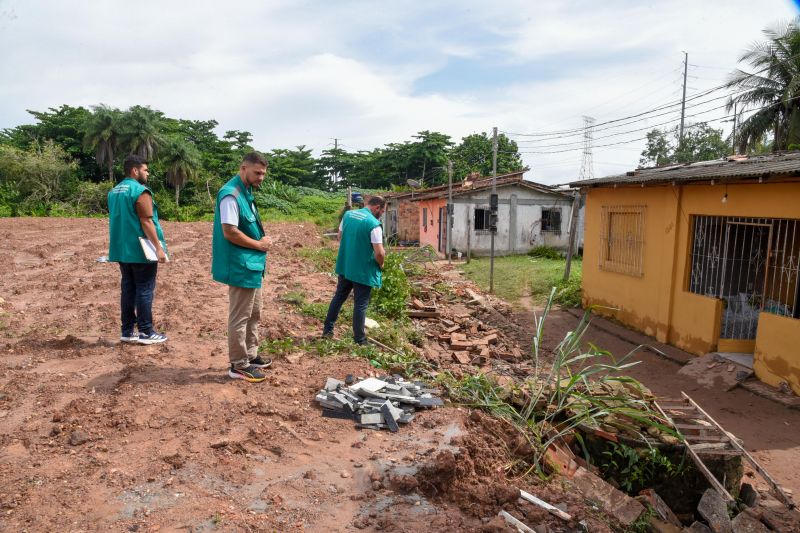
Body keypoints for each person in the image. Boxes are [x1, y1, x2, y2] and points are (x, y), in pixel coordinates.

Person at [212, 152, 273, 383]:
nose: (261, 178)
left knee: (254, 312)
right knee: (240, 316)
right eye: (257, 173)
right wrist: (259, 244)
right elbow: (230, 232)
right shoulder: (231, 194)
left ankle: (251, 354)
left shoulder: (246, 192)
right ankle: (238, 364)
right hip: (241, 265)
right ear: (243, 168)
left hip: (252, 264)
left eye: (263, 174)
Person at [107, 154, 169, 345]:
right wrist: (158, 248)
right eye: (145, 170)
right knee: (144, 289)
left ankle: (127, 331)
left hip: (121, 249)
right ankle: (146, 332)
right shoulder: (140, 191)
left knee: (128, 289)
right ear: (135, 171)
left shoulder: (114, 191)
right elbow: (146, 221)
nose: (147, 173)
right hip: (141, 250)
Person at [323, 196, 386, 345]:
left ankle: (327, 331)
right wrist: (381, 264)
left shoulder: (348, 215)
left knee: (339, 297)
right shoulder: (374, 224)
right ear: (377, 207)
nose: (382, 214)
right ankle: (359, 339)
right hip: (362, 271)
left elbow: (340, 237)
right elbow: (379, 253)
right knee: (360, 304)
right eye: (382, 211)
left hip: (346, 265)